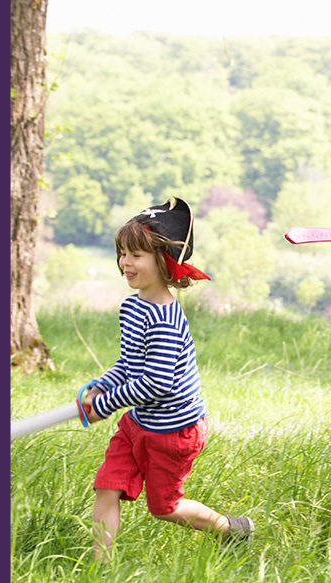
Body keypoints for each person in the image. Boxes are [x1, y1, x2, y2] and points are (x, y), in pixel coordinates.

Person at [78, 197, 253, 562]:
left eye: (136, 254)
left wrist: (106, 406)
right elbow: (129, 365)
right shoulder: (133, 306)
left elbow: (156, 383)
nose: (125, 262)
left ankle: (231, 529)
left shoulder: (165, 319)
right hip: (138, 422)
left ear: (164, 261)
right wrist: (101, 386)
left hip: (173, 432)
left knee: (164, 507)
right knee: (106, 488)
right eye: (122, 252)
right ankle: (99, 567)